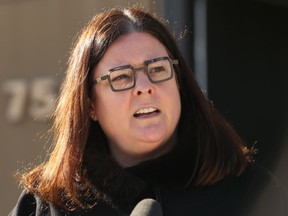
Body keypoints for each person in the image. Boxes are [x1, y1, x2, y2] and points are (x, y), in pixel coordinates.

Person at [9, 5, 288, 216]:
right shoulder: (46, 204)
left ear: (179, 83)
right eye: (120, 77)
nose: (144, 86)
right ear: (90, 105)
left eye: (157, 70)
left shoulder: (251, 190)